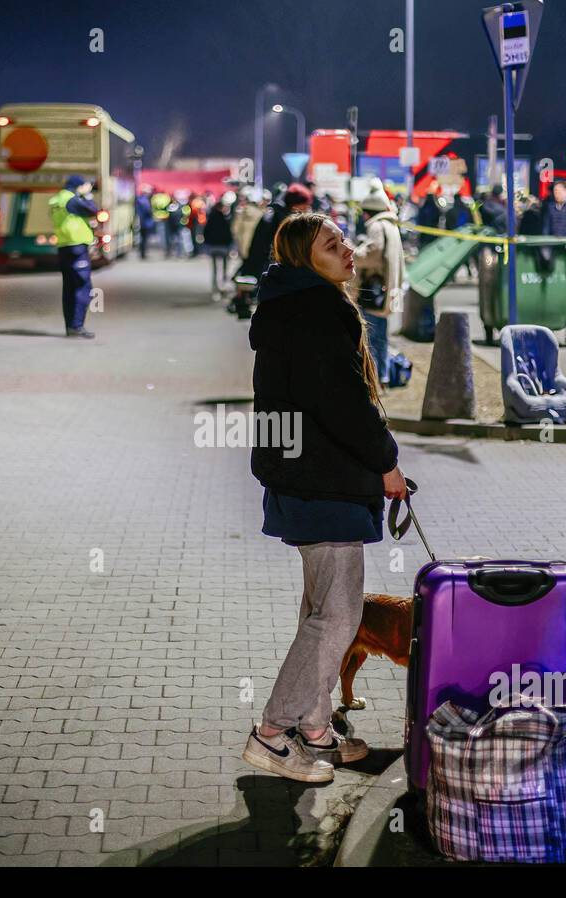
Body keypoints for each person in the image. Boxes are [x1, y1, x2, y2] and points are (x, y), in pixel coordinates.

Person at [242, 211, 406, 783]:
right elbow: (341, 403)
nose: (346, 250)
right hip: (323, 478)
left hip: (302, 475)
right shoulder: (315, 311)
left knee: (320, 610)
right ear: (301, 258)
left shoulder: (290, 306)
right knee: (337, 617)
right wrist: (385, 461)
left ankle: (314, 726)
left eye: (343, 241)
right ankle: (271, 734)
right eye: (331, 245)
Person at [353, 179, 405, 385]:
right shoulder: (390, 223)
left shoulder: (376, 226)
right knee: (380, 335)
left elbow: (372, 254)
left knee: (372, 336)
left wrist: (354, 252)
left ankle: (374, 376)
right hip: (385, 287)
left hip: (373, 289)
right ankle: (381, 374)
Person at [48, 174, 99, 339]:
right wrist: (88, 195)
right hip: (77, 247)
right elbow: (93, 210)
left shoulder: (57, 200)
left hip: (64, 246)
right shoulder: (72, 200)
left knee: (69, 288)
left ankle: (70, 326)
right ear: (79, 186)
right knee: (83, 287)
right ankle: (77, 326)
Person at [237, 182, 313, 282]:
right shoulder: (276, 217)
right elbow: (261, 245)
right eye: (305, 205)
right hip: (269, 267)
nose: (307, 209)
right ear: (296, 205)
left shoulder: (280, 214)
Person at [204, 191, 235, 298]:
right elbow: (229, 233)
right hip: (223, 246)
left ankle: (215, 288)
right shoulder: (225, 219)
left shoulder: (211, 218)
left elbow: (206, 232)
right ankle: (223, 286)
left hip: (213, 246)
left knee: (215, 269)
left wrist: (207, 243)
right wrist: (230, 244)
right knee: (225, 268)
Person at [135, 185, 156, 260]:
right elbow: (148, 211)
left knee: (142, 238)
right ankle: (143, 254)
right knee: (144, 239)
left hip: (142, 222)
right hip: (145, 223)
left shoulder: (140, 200)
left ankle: (142, 253)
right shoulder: (144, 201)